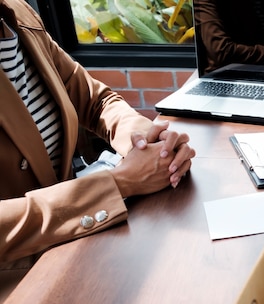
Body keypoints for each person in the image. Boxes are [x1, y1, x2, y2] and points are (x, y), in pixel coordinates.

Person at [0, 0, 196, 282]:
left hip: (76, 247)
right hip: (19, 286)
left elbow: (96, 101)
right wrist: (118, 182)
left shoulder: (18, 14)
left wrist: (150, 143)